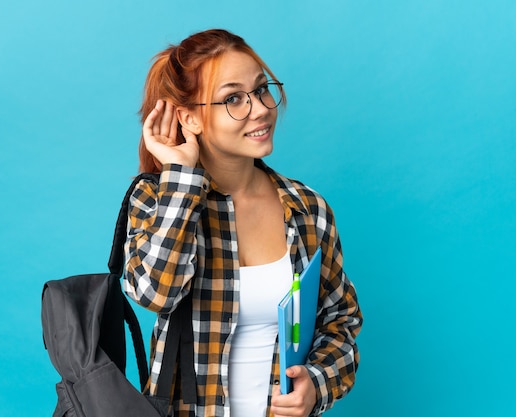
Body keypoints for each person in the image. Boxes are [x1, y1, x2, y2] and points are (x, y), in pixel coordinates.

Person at [123, 29, 362, 417]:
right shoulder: (156, 199)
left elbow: (341, 321)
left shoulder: (307, 210)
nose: (261, 109)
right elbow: (154, 293)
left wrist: (316, 385)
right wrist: (181, 178)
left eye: (261, 89)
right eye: (233, 98)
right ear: (189, 118)